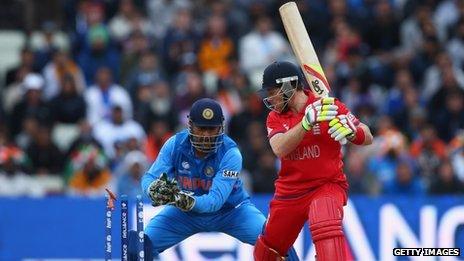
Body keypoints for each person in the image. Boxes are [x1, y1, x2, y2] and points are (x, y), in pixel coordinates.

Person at [130, 98, 298, 260]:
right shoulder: (175, 145)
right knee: (140, 247)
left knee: (276, 242)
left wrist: (178, 199)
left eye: (212, 129)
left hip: (231, 212)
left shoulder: (230, 153)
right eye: (201, 128)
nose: (206, 135)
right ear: (190, 126)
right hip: (184, 214)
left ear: (221, 128)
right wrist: (152, 188)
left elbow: (214, 202)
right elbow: (149, 177)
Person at [253, 61, 373, 261]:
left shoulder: (330, 106)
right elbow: (280, 148)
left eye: (272, 91)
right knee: (266, 253)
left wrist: (352, 131)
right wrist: (306, 122)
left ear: (288, 86)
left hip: (326, 184)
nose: (270, 98)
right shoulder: (274, 117)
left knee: (325, 222)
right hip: (290, 191)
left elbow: (368, 135)